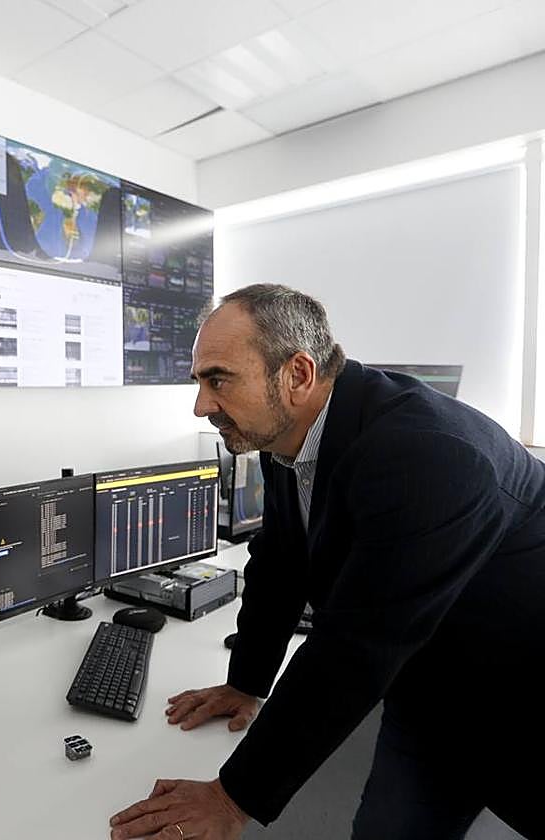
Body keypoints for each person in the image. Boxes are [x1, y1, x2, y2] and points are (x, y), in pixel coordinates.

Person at [109, 284, 545, 840]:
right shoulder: (283, 434)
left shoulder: (426, 452)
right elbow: (282, 560)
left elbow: (356, 646)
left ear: (297, 374)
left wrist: (231, 797)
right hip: (425, 677)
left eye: (218, 378)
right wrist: (247, 681)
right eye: (199, 381)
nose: (201, 404)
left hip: (520, 686)